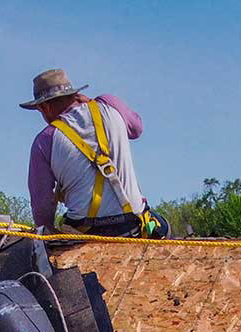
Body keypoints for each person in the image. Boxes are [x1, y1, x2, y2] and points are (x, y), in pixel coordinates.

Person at [20, 68, 165, 237]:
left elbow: (42, 206)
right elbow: (136, 129)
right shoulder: (109, 104)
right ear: (74, 95)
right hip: (133, 226)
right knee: (163, 227)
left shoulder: (44, 141)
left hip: (85, 231)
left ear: (45, 107)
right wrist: (94, 102)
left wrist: (47, 232)